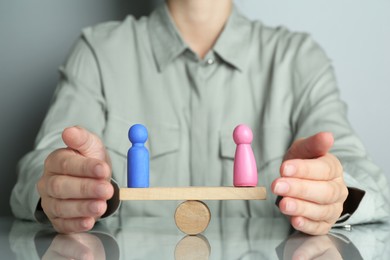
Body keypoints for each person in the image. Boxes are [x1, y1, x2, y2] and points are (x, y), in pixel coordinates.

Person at [10, 0, 390, 235]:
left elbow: (369, 183)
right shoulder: (97, 53)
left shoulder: (298, 59)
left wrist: (335, 194)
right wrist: (63, 188)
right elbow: (34, 176)